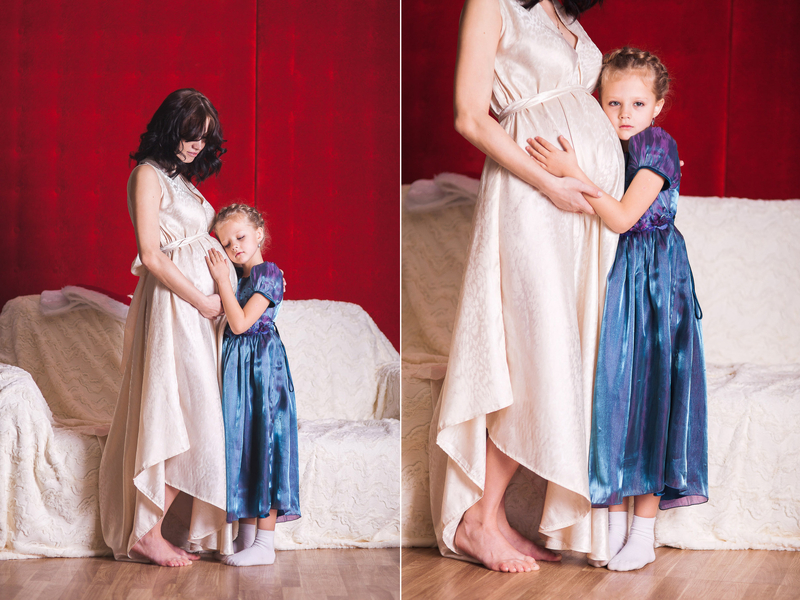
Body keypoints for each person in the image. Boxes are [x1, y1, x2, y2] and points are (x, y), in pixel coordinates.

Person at [429, 0, 624, 573]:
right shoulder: (492, 5)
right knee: (534, 353)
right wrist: (550, 183)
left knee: (558, 357)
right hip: (532, 199)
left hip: (580, 215)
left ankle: (493, 519)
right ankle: (473, 519)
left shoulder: (568, 19)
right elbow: (470, 116)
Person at [527, 47, 708, 572]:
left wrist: (572, 173)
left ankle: (643, 534)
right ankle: (609, 530)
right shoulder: (610, 147)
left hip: (657, 286)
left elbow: (625, 217)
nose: (625, 113)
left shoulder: (657, 146)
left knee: (653, 400)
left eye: (637, 103)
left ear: (658, 106)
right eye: (613, 103)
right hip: (619, 280)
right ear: (597, 103)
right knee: (612, 399)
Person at [99, 89, 237, 567]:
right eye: (190, 135)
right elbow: (152, 255)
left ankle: (156, 528)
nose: (197, 145)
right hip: (175, 308)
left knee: (198, 415)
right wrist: (202, 299)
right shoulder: (147, 175)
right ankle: (146, 532)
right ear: (170, 127)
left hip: (199, 313)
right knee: (179, 413)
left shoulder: (183, 180)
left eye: (205, 138)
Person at [205, 204, 301, 567]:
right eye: (227, 243)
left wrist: (222, 282)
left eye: (241, 237)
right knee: (243, 448)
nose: (235, 247)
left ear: (259, 233)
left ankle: (264, 543)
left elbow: (241, 323)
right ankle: (246, 538)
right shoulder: (240, 279)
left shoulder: (269, 273)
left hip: (263, 373)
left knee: (265, 446)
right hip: (239, 375)